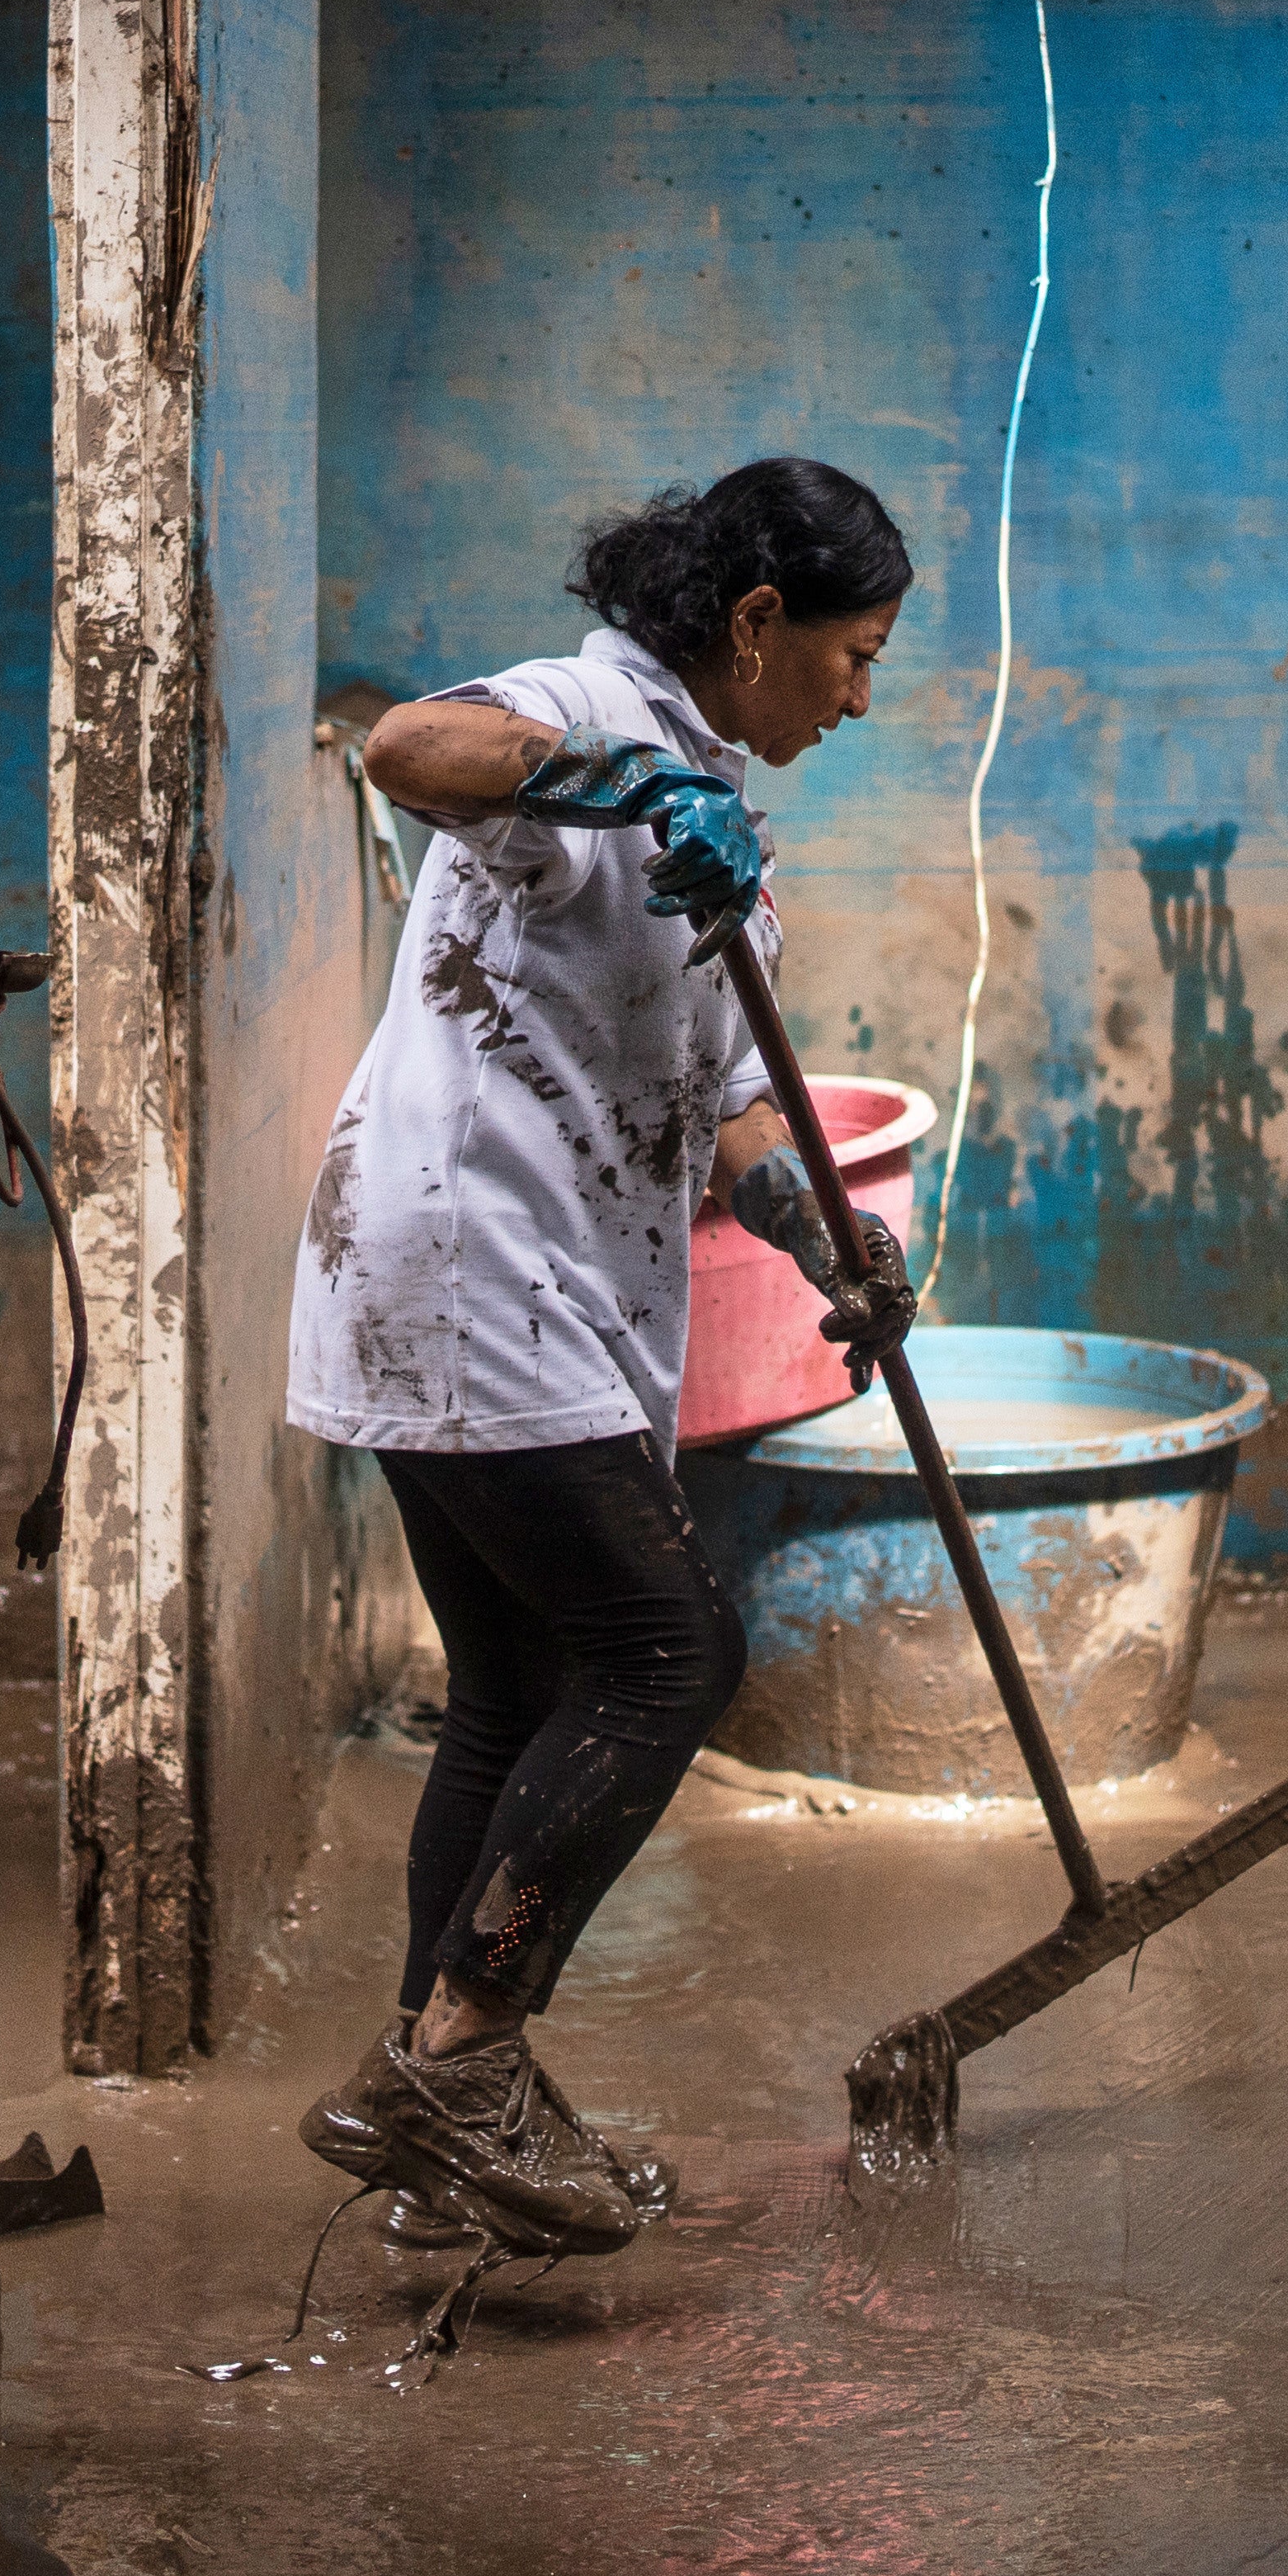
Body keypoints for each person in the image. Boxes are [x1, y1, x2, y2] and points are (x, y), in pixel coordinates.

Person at [281, 458, 918, 2260]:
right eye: (853, 657)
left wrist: (818, 1240)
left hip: (519, 1280)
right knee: (670, 1648)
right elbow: (407, 747)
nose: (861, 699)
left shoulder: (721, 807)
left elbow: (712, 1089)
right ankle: (460, 2059)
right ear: (755, 625)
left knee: (514, 1685)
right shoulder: (581, 716)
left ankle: (433, 2118)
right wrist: (619, 778)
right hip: (466, 1258)